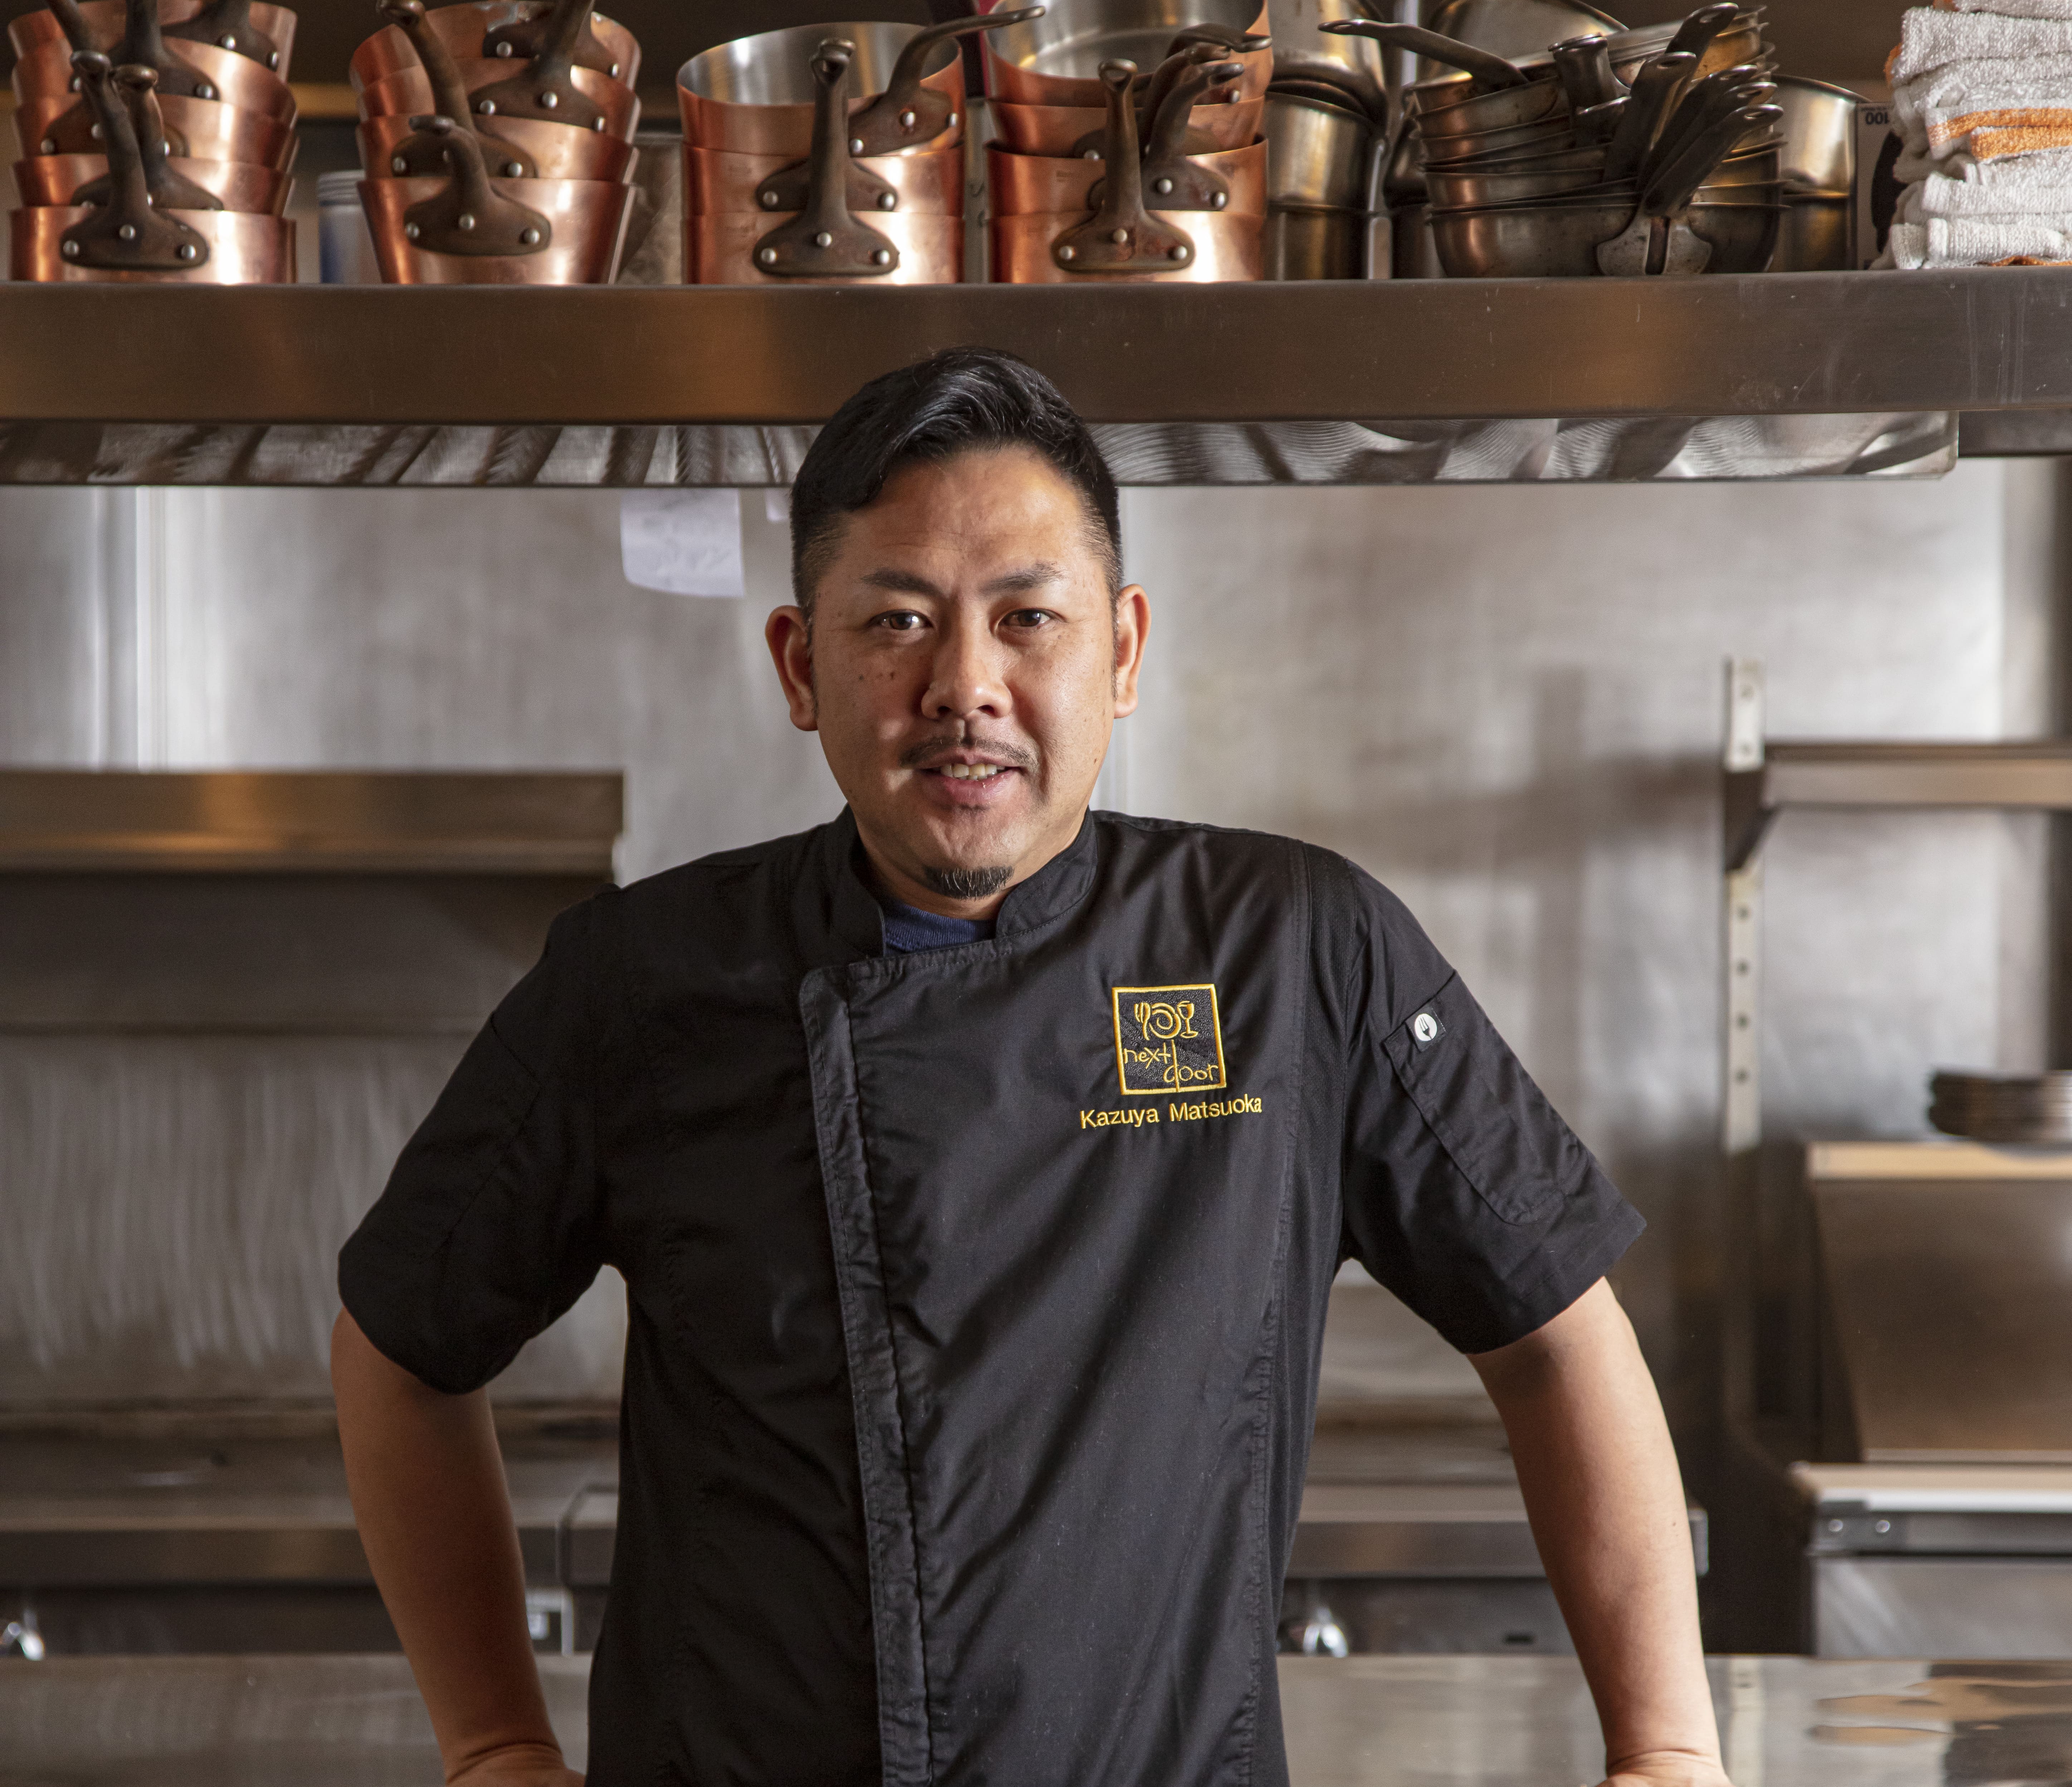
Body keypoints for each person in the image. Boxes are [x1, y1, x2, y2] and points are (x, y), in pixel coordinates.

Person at [334, 346, 1729, 1787]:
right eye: (897, 620)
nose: (965, 687)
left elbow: (1554, 1336)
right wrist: (494, 1745)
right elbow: (397, 1349)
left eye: (1027, 619)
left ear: (1120, 652)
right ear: (800, 666)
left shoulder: (1296, 952)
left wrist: (1669, 1748)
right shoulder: (639, 981)